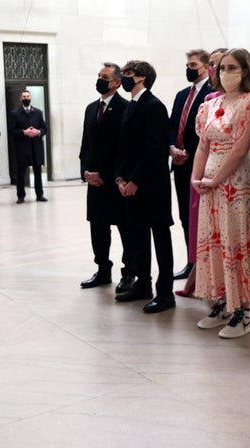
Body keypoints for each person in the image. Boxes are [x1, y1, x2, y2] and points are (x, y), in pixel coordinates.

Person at [192, 48, 250, 338]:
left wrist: (217, 179)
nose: (225, 72)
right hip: (210, 179)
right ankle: (224, 301)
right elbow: (202, 145)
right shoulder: (211, 104)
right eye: (222, 67)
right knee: (215, 240)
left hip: (236, 180)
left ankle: (243, 310)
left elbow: (240, 149)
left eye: (232, 67)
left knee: (236, 240)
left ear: (245, 71)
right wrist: (196, 177)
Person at [115, 60, 175, 314]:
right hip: (130, 185)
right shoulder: (131, 106)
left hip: (151, 186)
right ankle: (143, 284)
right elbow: (122, 147)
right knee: (138, 237)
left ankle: (165, 293)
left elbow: (156, 149)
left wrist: (135, 180)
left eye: (127, 74)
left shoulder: (154, 106)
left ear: (141, 78)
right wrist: (120, 178)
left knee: (160, 238)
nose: (124, 79)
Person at [79, 62, 135, 292]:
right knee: (98, 228)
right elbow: (85, 145)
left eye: (105, 77)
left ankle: (128, 273)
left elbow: (125, 149)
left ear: (117, 82)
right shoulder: (91, 108)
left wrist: (107, 174)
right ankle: (102, 270)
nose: (100, 80)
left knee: (125, 229)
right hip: (94, 180)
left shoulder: (126, 108)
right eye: (99, 75)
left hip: (115, 180)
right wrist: (86, 172)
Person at [169, 49, 214, 289]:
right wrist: (172, 148)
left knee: (201, 217)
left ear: (206, 67)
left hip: (201, 164)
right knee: (185, 215)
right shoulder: (181, 94)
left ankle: (203, 264)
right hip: (179, 164)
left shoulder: (212, 94)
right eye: (187, 64)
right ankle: (190, 260)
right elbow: (172, 125)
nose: (189, 68)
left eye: (193, 64)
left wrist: (191, 152)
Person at [9, 90, 48, 203]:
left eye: (27, 96)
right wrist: (23, 132)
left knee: (37, 172)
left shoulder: (38, 112)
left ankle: (39, 195)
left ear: (30, 98)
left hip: (36, 147)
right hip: (22, 147)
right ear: (20, 99)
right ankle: (21, 196)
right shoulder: (14, 113)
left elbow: (44, 129)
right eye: (24, 96)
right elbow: (11, 131)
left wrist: (38, 132)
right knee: (21, 172)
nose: (26, 98)